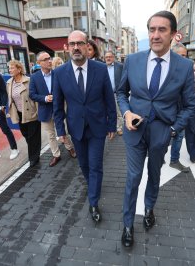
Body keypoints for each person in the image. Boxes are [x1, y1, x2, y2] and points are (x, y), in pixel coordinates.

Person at [117, 11, 195, 247]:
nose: (156, 35)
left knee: (154, 175)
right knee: (133, 177)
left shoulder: (184, 66)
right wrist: (127, 112)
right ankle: (128, 223)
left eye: (162, 30)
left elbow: (191, 105)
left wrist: (173, 129)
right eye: (152, 29)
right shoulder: (132, 60)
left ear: (173, 35)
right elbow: (121, 92)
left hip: (162, 131)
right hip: (135, 130)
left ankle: (149, 208)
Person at [53, 30, 117, 223]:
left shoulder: (100, 69)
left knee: (96, 165)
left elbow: (108, 99)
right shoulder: (59, 72)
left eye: (79, 43)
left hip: (98, 126)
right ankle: (93, 185)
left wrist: (112, 124)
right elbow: (57, 105)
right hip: (75, 127)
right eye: (72, 44)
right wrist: (60, 130)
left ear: (87, 46)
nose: (76, 47)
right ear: (67, 48)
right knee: (84, 164)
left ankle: (93, 201)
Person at [29, 51, 76, 167]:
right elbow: (32, 94)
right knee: (50, 135)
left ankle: (70, 148)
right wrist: (45, 98)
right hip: (45, 111)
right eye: (45, 59)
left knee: (63, 130)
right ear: (39, 63)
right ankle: (56, 155)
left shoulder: (57, 74)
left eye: (49, 58)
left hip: (59, 109)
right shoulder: (34, 77)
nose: (49, 61)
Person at [6, 59, 41, 167]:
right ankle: (34, 151)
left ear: (19, 69)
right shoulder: (9, 82)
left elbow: (36, 97)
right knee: (25, 135)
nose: (10, 70)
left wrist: (38, 112)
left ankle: (33, 158)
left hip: (31, 112)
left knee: (33, 136)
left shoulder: (29, 80)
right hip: (19, 114)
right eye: (9, 68)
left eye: (12, 68)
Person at [169, 42, 189, 171]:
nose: (184, 58)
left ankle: (174, 160)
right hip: (165, 111)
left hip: (181, 110)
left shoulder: (187, 70)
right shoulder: (164, 69)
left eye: (185, 55)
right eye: (180, 55)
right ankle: (158, 159)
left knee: (179, 136)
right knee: (162, 137)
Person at [104, 50, 124, 135]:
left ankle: (119, 128)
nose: (108, 58)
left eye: (110, 57)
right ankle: (108, 128)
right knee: (106, 112)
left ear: (113, 57)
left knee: (118, 112)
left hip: (116, 93)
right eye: (107, 57)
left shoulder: (120, 66)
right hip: (104, 94)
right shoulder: (101, 67)